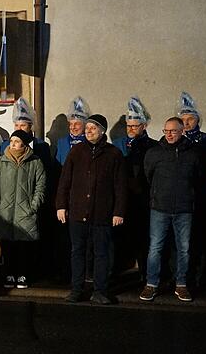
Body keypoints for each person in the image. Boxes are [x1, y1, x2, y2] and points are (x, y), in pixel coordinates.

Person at [56, 114, 127, 304]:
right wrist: (61, 206)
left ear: (102, 131)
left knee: (102, 253)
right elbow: (65, 181)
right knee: (77, 252)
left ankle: (100, 291)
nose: (88, 131)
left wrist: (118, 211)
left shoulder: (113, 154)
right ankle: (77, 289)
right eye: (87, 128)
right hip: (78, 213)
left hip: (102, 214)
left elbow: (120, 186)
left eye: (93, 128)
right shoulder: (76, 152)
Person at [139, 117, 201, 303]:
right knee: (155, 248)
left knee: (184, 249)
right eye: (166, 131)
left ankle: (181, 285)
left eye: (173, 131)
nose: (169, 134)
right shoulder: (154, 153)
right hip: (160, 208)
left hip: (184, 209)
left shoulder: (193, 154)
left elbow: (198, 178)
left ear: (182, 131)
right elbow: (148, 176)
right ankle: (151, 284)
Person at [0, 130, 46, 289]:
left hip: (25, 211)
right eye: (11, 140)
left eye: (17, 141)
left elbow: (40, 186)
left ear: (25, 144)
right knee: (7, 246)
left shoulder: (35, 162)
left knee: (23, 247)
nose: (12, 143)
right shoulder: (1, 161)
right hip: (5, 212)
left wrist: (33, 205)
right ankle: (8, 273)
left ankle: (23, 275)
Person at [178, 91, 206, 290]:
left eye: (190, 120)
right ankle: (182, 277)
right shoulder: (175, 140)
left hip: (202, 197)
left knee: (202, 238)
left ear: (197, 121)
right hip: (181, 197)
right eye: (183, 120)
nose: (186, 123)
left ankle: (203, 277)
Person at [113, 97, 158, 281]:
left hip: (143, 199)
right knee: (122, 237)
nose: (131, 129)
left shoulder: (153, 146)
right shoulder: (117, 145)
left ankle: (146, 273)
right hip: (122, 198)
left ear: (144, 126)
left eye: (135, 126)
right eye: (128, 126)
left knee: (144, 238)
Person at [55, 96, 91, 166]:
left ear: (85, 124)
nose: (73, 127)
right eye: (71, 124)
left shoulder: (91, 143)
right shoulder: (62, 143)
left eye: (77, 124)